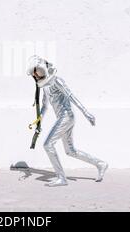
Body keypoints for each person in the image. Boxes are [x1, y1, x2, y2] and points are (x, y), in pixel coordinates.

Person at [26, 55, 108, 187]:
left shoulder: (57, 81)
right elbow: (45, 106)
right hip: (63, 119)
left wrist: (86, 113)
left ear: (44, 70)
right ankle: (101, 164)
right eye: (35, 75)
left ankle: (61, 178)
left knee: (48, 145)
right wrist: (39, 119)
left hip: (67, 117)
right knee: (70, 151)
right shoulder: (45, 86)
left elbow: (72, 97)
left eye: (38, 73)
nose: (36, 76)